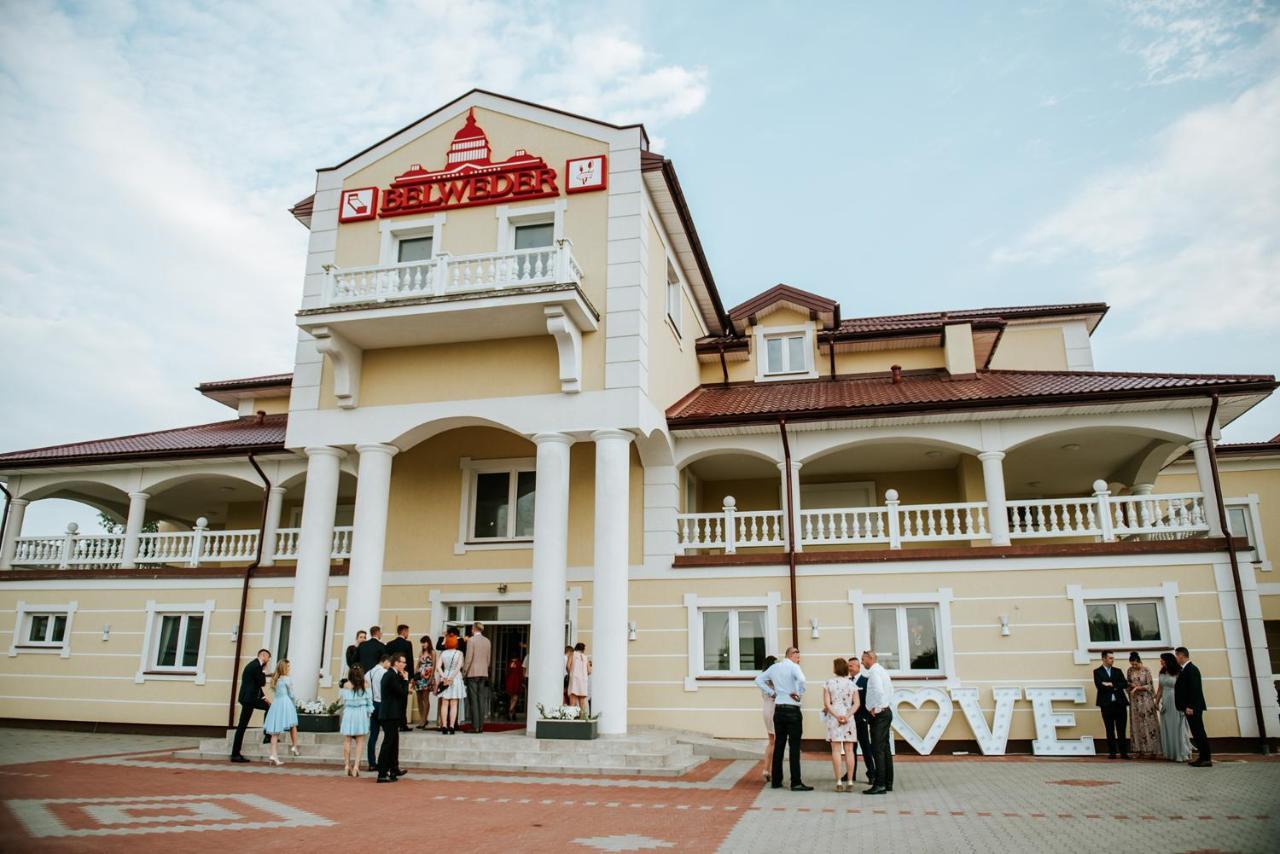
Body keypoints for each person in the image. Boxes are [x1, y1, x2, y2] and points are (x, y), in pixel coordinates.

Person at [755, 646, 811, 791]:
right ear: (793, 655)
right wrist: (798, 692)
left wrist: (772, 693)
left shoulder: (775, 668)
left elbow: (758, 679)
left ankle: (776, 781)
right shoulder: (794, 667)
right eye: (798, 657)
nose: (799, 660)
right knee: (794, 746)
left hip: (778, 709)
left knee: (779, 745)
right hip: (792, 709)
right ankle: (796, 782)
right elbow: (802, 680)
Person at [823, 658, 859, 791]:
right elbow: (857, 703)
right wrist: (848, 715)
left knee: (836, 750)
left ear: (835, 668)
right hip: (849, 718)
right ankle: (850, 781)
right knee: (849, 751)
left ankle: (838, 781)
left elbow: (827, 703)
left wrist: (837, 716)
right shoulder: (851, 684)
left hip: (834, 718)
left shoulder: (828, 683)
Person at [861, 650, 894, 795]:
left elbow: (879, 692)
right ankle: (888, 782)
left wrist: (877, 708)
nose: (862, 662)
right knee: (885, 749)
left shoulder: (874, 672)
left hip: (880, 715)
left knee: (877, 749)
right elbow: (890, 691)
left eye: (863, 659)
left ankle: (879, 784)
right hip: (886, 712)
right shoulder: (882, 671)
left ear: (870, 658)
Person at [230, 648, 272, 762]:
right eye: (268, 658)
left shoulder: (254, 665)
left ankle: (267, 735)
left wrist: (264, 698)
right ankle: (235, 754)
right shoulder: (256, 666)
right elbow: (261, 682)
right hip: (249, 699)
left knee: (269, 707)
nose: (268, 660)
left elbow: (256, 685)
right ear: (263, 656)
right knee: (242, 726)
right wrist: (264, 670)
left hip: (250, 698)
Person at [1174, 646, 1211, 767]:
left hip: (1193, 708)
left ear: (1181, 655)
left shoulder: (1192, 669)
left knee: (1199, 732)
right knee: (1196, 732)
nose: (1176, 658)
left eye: (1176, 656)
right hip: (1189, 707)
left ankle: (1206, 758)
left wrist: (1190, 706)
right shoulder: (1185, 669)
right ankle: (1202, 757)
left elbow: (1194, 689)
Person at [377, 653, 410, 783]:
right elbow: (402, 693)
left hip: (392, 714)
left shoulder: (394, 675)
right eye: (403, 662)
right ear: (396, 663)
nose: (405, 664)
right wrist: (406, 680)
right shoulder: (390, 675)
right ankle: (382, 773)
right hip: (389, 714)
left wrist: (402, 679)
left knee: (393, 742)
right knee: (388, 743)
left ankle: (393, 769)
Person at [1154, 652, 1191, 762]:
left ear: (1167, 660)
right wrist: (1157, 701)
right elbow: (1160, 689)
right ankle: (1170, 753)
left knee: (1177, 726)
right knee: (1167, 726)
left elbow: (1183, 688)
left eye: (1162, 660)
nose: (1160, 661)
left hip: (1176, 700)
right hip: (1166, 701)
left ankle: (1181, 753)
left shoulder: (1178, 671)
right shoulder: (1162, 672)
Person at [262, 658, 299, 766]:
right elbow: (291, 695)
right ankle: (294, 746)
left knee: (275, 731)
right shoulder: (287, 679)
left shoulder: (276, 679)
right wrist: (294, 705)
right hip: (286, 703)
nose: (289, 668)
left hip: (276, 704)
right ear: (284, 667)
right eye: (288, 666)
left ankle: (273, 754)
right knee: (293, 724)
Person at [1094, 650, 1130, 759]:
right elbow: (1099, 686)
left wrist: (1111, 684)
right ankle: (1112, 752)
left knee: (1121, 729)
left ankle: (1123, 752)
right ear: (1104, 659)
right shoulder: (1097, 671)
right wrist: (1114, 686)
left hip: (1120, 703)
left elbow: (1124, 683)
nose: (1112, 660)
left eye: (1113, 658)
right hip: (1106, 704)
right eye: (1110, 658)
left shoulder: (1117, 671)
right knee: (1109, 729)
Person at [339, 665, 373, 777]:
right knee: (360, 741)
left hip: (349, 712)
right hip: (361, 713)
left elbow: (343, 700)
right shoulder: (366, 685)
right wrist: (369, 712)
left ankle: (346, 765)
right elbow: (369, 702)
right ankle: (356, 767)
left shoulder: (346, 685)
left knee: (347, 740)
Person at [1126, 652, 1160, 758]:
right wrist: (1131, 686)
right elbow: (1127, 682)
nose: (1134, 666)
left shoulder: (1146, 670)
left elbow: (1149, 685)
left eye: (1136, 664)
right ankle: (1139, 750)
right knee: (1137, 724)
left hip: (1146, 700)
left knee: (1149, 723)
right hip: (1135, 701)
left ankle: (1153, 750)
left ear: (1140, 661)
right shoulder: (1130, 670)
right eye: (1132, 664)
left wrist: (1137, 688)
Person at [849, 656, 875, 785]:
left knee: (865, 747)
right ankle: (851, 773)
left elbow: (868, 699)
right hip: (850, 720)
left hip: (861, 719)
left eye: (851, 666)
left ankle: (871, 773)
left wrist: (866, 717)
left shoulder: (865, 681)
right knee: (851, 748)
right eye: (848, 666)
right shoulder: (847, 681)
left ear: (858, 667)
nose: (849, 668)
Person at [463, 621, 493, 733]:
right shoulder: (487, 641)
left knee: (473, 700)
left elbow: (468, 658)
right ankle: (480, 726)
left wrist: (464, 672)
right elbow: (488, 659)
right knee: (481, 699)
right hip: (483, 672)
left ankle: (475, 726)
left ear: (474, 628)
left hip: (473, 672)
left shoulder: (471, 640)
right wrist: (485, 669)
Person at [384, 625, 414, 731]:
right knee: (403, 699)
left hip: (392, 674)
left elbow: (387, 659)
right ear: (404, 631)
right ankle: (402, 724)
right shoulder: (407, 644)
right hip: (403, 674)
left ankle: (394, 722)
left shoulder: (390, 644)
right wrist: (410, 676)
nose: (408, 634)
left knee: (393, 699)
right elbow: (410, 661)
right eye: (407, 632)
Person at [436, 633, 465, 734]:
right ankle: (452, 726)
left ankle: (444, 725)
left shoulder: (443, 653)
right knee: (454, 703)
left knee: (444, 703)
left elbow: (438, 667)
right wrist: (451, 678)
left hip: (445, 675)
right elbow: (458, 667)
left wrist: (444, 677)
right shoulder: (459, 653)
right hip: (455, 678)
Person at [366, 653, 390, 771]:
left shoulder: (368, 673)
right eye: (389, 663)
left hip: (372, 704)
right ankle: (384, 761)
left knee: (373, 735)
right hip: (382, 703)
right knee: (388, 734)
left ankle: (371, 762)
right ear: (385, 661)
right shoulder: (384, 673)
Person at [758, 654, 777, 783]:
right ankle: (773, 770)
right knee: (776, 741)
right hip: (774, 708)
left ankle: (766, 769)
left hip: (766, 708)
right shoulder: (771, 679)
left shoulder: (763, 678)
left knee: (771, 741)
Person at [413, 636, 435, 730]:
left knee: (425, 698)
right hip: (419, 677)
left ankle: (424, 719)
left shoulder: (432, 652)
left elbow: (433, 666)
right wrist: (414, 676)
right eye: (422, 642)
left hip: (427, 676)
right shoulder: (421, 652)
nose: (423, 644)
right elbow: (418, 665)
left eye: (425, 642)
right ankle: (422, 718)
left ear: (429, 643)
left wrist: (431, 677)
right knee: (419, 697)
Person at [567, 642, 591, 716]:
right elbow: (589, 671)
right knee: (582, 702)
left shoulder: (572, 654)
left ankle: (571, 719)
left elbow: (568, 666)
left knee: (573, 702)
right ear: (583, 649)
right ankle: (582, 719)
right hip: (583, 680)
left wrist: (570, 673)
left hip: (574, 679)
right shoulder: (585, 657)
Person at [505, 655, 525, 719]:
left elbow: (507, 672)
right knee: (515, 698)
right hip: (517, 681)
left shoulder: (510, 663)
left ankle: (513, 714)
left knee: (512, 698)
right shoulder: (519, 663)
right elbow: (521, 673)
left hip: (510, 681)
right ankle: (510, 710)